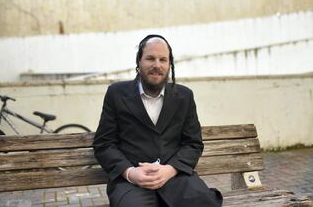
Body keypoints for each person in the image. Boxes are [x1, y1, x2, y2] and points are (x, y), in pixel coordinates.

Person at [93, 35, 223, 207]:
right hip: (132, 183)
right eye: (150, 58)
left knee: (204, 203)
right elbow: (104, 144)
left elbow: (193, 144)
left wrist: (170, 170)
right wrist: (131, 173)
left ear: (170, 64)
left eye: (163, 59)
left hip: (176, 178)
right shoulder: (116, 93)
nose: (157, 65)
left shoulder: (184, 96)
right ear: (138, 61)